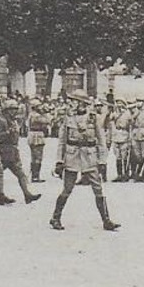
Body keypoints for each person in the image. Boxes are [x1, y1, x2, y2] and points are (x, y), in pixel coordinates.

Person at [50, 91, 120, 231]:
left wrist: (102, 161)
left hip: (90, 157)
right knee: (67, 189)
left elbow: (101, 141)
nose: (71, 103)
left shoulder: (93, 118)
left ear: (82, 103)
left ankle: (106, 220)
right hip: (72, 156)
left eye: (74, 101)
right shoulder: (68, 118)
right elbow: (62, 142)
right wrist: (59, 161)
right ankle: (55, 218)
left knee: (98, 189)